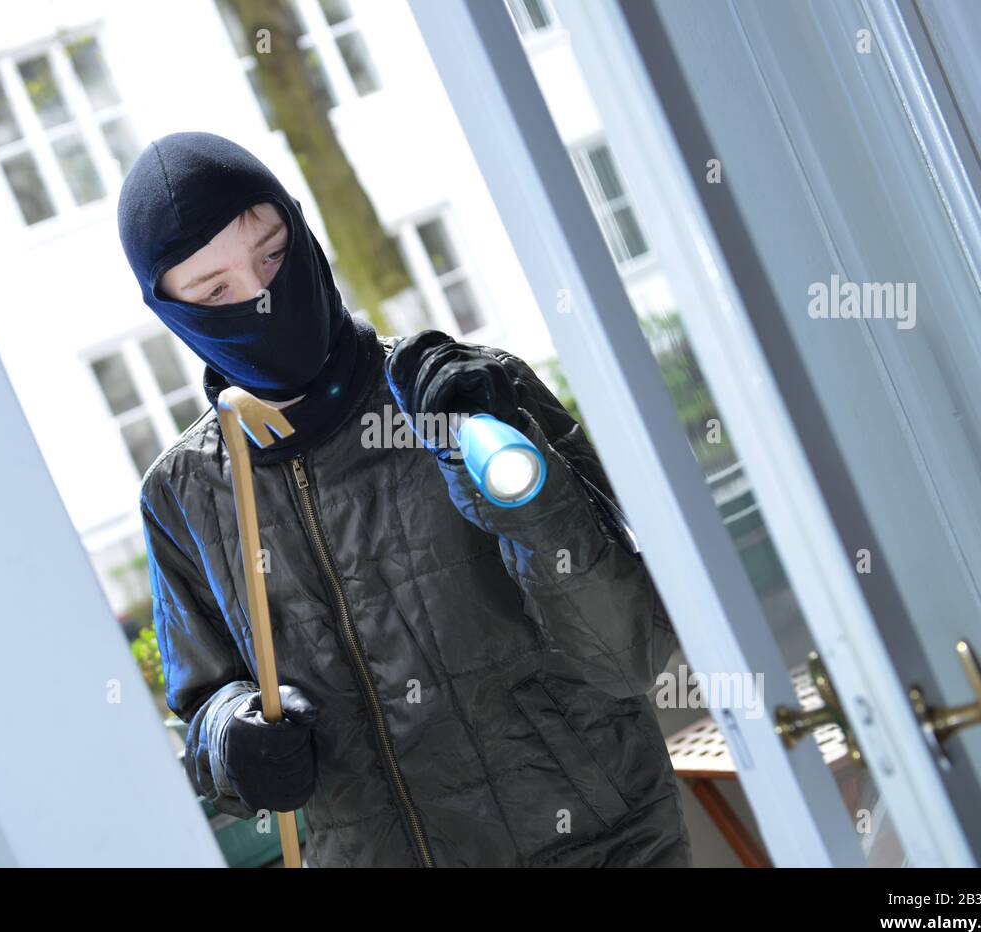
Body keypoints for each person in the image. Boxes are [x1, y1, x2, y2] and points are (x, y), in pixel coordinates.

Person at [116, 131, 691, 867]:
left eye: (271, 254)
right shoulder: (181, 495)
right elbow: (205, 705)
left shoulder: (458, 397)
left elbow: (634, 650)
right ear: (173, 312)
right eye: (216, 291)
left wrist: (516, 479)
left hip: (601, 848)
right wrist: (232, 737)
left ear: (303, 229)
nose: (261, 299)